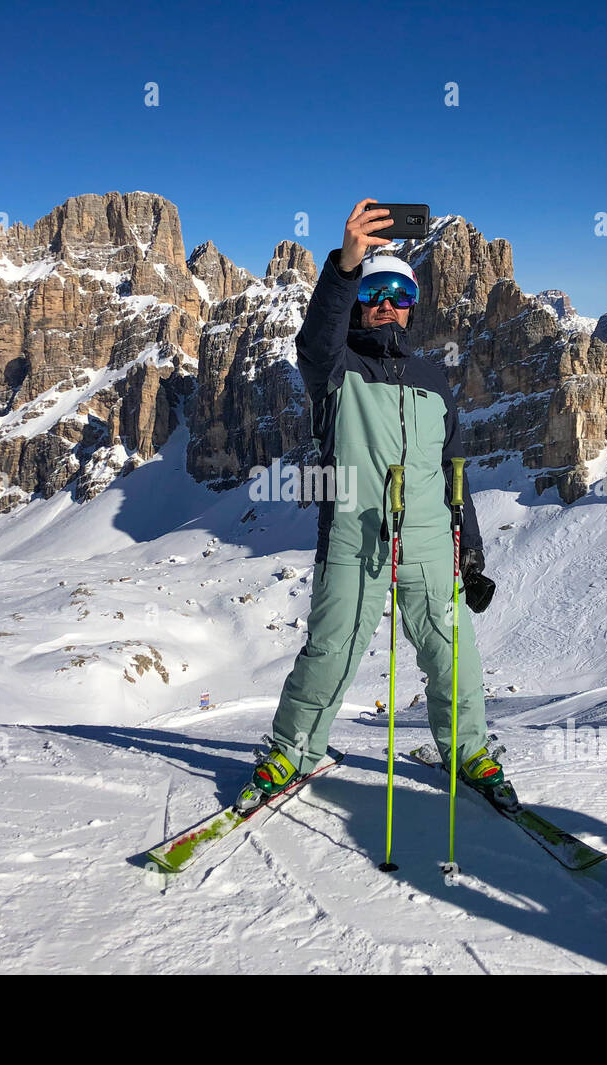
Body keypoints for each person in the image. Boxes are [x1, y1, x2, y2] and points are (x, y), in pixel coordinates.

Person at [235, 198, 509, 815]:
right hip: (355, 535)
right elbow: (315, 337)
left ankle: (467, 751)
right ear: (362, 296)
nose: (387, 301)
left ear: (413, 306)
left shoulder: (434, 379)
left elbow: (452, 473)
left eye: (401, 293)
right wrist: (347, 262)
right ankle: (291, 750)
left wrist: (471, 555)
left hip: (433, 541)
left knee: (453, 650)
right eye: (377, 290)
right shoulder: (335, 368)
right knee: (332, 649)